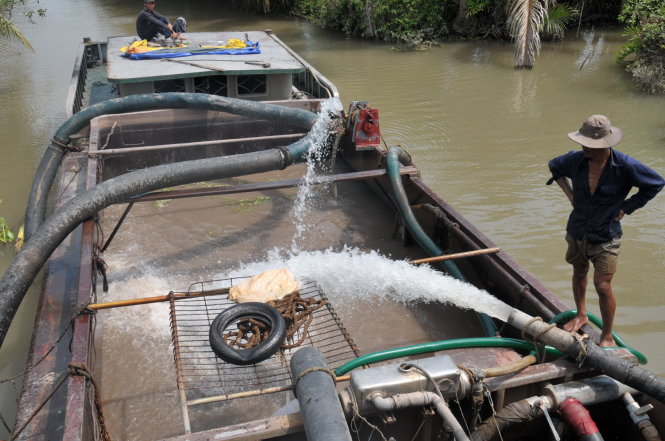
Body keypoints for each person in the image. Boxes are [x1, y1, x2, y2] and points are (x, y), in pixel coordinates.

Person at [548, 115, 664, 347]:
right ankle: (581, 314)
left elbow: (656, 183)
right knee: (579, 271)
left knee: (603, 285)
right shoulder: (575, 160)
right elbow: (554, 166)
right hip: (578, 228)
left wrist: (627, 208)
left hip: (606, 234)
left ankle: (607, 336)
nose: (583, 147)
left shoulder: (625, 166)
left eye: (589, 145)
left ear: (604, 145)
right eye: (583, 142)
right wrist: (570, 195)